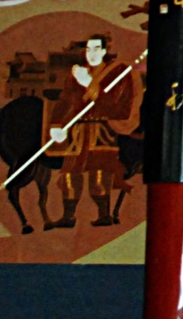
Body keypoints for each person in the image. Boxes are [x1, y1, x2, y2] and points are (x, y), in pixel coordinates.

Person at [46, 36, 136, 229]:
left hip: (101, 130)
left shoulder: (117, 73)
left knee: (99, 175)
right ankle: (68, 216)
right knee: (69, 174)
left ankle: (104, 215)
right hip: (78, 131)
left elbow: (117, 108)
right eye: (88, 49)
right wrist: (56, 124)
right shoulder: (76, 74)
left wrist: (90, 84)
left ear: (104, 51)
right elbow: (65, 101)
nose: (91, 53)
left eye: (96, 49)